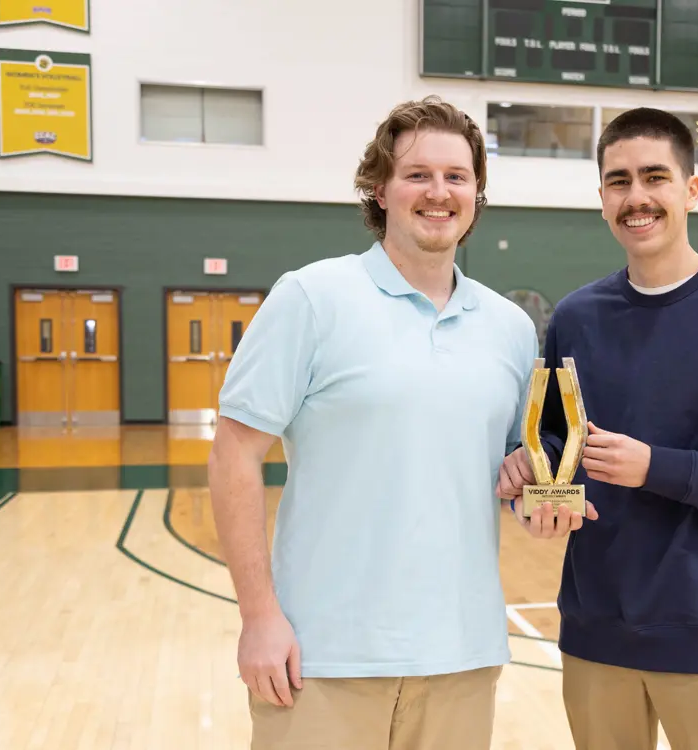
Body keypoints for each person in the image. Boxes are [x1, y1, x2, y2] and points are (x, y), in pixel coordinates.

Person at [208, 95, 542, 750]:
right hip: (321, 657)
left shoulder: (511, 329)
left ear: (477, 193)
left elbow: (515, 475)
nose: (439, 192)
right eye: (417, 174)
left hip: (463, 655)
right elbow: (234, 454)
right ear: (379, 189)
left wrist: (539, 496)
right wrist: (258, 617)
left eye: (457, 176)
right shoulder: (311, 298)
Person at [497, 107, 698, 750]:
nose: (636, 197)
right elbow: (560, 448)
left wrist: (656, 467)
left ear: (691, 190)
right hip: (596, 632)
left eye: (655, 177)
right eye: (619, 181)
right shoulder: (578, 317)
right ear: (601, 198)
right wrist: (532, 478)